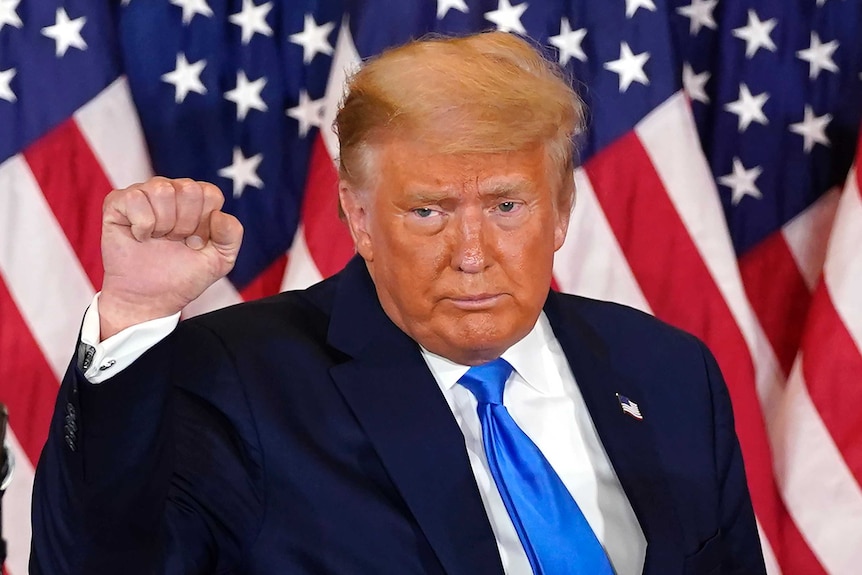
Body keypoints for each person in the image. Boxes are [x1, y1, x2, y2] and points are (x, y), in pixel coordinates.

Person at [30, 31, 766, 575]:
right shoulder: (240, 380)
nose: (473, 251)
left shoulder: (667, 370)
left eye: (508, 205)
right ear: (358, 219)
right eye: (428, 212)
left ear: (562, 209)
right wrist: (133, 315)